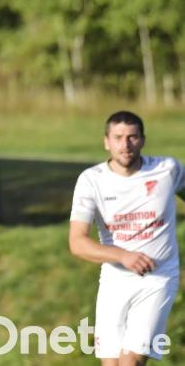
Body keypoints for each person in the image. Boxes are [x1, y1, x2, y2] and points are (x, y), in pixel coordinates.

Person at [69, 111, 182, 365]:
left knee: (130, 362)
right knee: (111, 363)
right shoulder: (91, 181)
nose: (125, 145)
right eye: (118, 137)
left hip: (158, 278)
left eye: (132, 137)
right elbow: (77, 242)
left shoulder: (168, 170)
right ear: (106, 141)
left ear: (142, 140)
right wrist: (123, 256)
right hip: (114, 281)